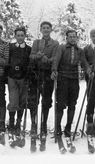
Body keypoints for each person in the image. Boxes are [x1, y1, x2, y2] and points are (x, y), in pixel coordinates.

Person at [51, 29, 90, 139]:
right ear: (66, 38)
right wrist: (54, 70)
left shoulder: (80, 50)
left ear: (77, 38)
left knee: (72, 103)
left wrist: (88, 70)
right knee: (61, 103)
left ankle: (68, 127)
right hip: (63, 79)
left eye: (74, 37)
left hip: (74, 79)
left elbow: (84, 63)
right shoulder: (62, 48)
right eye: (70, 37)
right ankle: (57, 127)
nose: (72, 39)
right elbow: (56, 60)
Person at [28, 21, 59, 152]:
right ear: (40, 29)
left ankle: (44, 124)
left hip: (47, 75)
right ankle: (34, 124)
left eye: (48, 28)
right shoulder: (36, 42)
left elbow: (55, 58)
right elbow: (31, 56)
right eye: (43, 28)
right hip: (36, 74)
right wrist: (37, 56)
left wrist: (48, 60)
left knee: (46, 101)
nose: (46, 30)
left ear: (51, 30)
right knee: (33, 100)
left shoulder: (55, 43)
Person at [7, 27, 31, 136]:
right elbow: (7, 62)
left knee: (22, 100)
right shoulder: (10, 47)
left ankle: (18, 122)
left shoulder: (28, 49)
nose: (20, 37)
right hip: (12, 78)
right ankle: (11, 122)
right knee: (13, 100)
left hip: (23, 78)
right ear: (15, 36)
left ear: (25, 36)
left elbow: (30, 64)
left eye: (22, 35)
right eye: (18, 35)